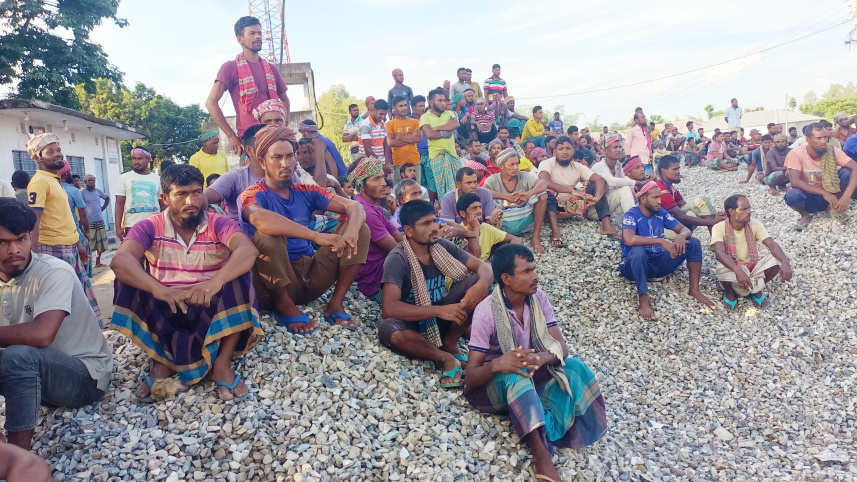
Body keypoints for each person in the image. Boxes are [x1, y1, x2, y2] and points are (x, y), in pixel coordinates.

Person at [111, 164, 262, 401]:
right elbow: (120, 261)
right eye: (181, 194)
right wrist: (160, 290)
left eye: (196, 192)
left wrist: (213, 284)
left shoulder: (218, 223)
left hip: (210, 305)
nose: (191, 201)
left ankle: (222, 363)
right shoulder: (149, 226)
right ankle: (161, 361)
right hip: (167, 305)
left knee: (241, 276)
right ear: (165, 198)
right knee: (126, 280)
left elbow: (247, 251)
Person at [464, 244, 607, 481]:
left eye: (534, 269)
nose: (535, 276)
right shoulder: (486, 312)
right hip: (490, 387)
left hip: (530, 371)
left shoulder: (538, 298)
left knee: (574, 367)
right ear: (506, 278)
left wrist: (542, 358)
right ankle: (542, 459)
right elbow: (470, 377)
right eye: (527, 271)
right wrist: (498, 365)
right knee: (516, 374)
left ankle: (558, 424)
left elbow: (562, 348)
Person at [0, 198, 113, 450]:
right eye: (2, 242)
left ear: (31, 237)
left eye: (21, 239)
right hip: (31, 380)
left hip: (84, 378)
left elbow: (42, 335)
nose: (14, 250)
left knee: (18, 356)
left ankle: (19, 457)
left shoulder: (53, 271)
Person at [240, 125, 370, 333]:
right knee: (267, 236)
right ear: (263, 162)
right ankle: (284, 305)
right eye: (277, 157)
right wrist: (316, 236)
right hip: (273, 285)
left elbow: (354, 206)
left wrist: (352, 231)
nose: (286, 164)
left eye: (290, 156)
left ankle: (336, 302)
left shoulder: (306, 190)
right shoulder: (252, 194)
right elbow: (260, 219)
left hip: (310, 277)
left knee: (361, 229)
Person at [378, 200, 493, 387]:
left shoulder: (440, 246)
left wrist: (482, 284)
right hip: (414, 324)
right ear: (408, 231)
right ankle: (446, 358)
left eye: (434, 221)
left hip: (442, 316)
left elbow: (483, 267)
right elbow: (389, 308)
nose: (434, 227)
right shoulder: (397, 259)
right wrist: (438, 311)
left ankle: (450, 342)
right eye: (426, 224)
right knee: (388, 330)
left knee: (475, 283)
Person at [25, 133, 102, 324]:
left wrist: (78, 245)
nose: (58, 154)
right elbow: (35, 220)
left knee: (78, 303)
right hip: (53, 249)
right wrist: (32, 258)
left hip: (69, 249)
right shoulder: (39, 182)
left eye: (58, 150)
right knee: (63, 305)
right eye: (50, 151)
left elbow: (63, 217)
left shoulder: (54, 180)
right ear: (38, 157)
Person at [620, 181, 714, 319]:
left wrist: (681, 236)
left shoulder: (660, 212)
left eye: (660, 197)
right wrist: (661, 241)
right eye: (655, 198)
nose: (659, 201)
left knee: (693, 243)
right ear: (643, 198)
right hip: (633, 267)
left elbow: (685, 229)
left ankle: (694, 290)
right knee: (638, 251)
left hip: (658, 263)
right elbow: (629, 239)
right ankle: (643, 298)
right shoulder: (631, 214)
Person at [206, 16, 289, 154]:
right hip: (250, 140)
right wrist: (231, 136)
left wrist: (283, 125)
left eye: (260, 33)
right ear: (240, 39)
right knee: (250, 175)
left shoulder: (271, 69)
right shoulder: (230, 68)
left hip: (275, 138)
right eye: (252, 33)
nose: (258, 36)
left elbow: (285, 100)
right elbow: (211, 103)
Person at [712, 194, 792, 311]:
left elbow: (771, 244)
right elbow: (719, 253)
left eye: (749, 208)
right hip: (734, 269)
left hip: (752, 268)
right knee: (721, 267)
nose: (749, 212)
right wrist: (738, 270)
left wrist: (785, 262)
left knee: (776, 260)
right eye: (744, 209)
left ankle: (756, 289)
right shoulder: (719, 227)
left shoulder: (755, 224)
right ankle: (730, 293)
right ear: (732, 211)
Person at [538, 136, 620, 243]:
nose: (564, 152)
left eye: (568, 148)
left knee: (593, 185)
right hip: (551, 205)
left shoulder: (577, 166)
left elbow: (600, 179)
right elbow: (545, 181)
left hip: (570, 204)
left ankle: (606, 225)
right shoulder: (547, 163)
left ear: (573, 150)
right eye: (561, 149)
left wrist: (596, 197)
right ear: (554, 151)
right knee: (546, 194)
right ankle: (556, 232)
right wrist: (570, 190)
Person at [350, 157, 405, 303]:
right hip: (376, 284)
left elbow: (398, 236)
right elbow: (397, 249)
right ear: (362, 186)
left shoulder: (374, 208)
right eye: (376, 179)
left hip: (385, 274)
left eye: (383, 177)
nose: (383, 183)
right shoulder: (365, 212)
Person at [784, 123, 857, 230]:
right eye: (818, 138)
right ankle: (805, 215)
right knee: (792, 194)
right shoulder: (796, 153)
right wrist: (823, 192)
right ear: (808, 139)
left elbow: (855, 167)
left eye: (825, 137)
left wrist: (846, 196)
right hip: (809, 198)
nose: (823, 141)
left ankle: (832, 208)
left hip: (832, 196)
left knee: (846, 172)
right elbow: (794, 181)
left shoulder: (832, 150)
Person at [482, 149, 549, 253]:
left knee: (542, 196)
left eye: (517, 163)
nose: (516, 167)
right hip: (503, 225)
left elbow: (543, 183)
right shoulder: (493, 179)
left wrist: (528, 195)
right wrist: (506, 197)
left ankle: (535, 237)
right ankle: (499, 237)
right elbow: (483, 191)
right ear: (501, 166)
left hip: (526, 220)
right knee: (485, 199)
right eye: (511, 164)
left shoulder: (524, 175)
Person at [656, 156, 723, 236]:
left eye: (678, 169)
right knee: (701, 201)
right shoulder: (662, 191)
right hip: (666, 231)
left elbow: (684, 204)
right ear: (663, 171)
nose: (678, 172)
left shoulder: (668, 186)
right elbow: (681, 217)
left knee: (699, 206)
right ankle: (717, 241)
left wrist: (711, 216)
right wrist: (713, 220)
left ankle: (716, 241)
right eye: (674, 169)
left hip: (673, 225)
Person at [420, 89, 462, 199]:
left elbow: (456, 124)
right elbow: (429, 134)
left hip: (452, 155)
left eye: (444, 100)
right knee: (441, 190)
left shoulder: (450, 113)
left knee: (459, 187)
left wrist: (438, 128)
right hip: (436, 157)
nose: (443, 103)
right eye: (439, 100)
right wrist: (447, 131)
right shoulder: (425, 116)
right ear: (431, 102)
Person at [115, 147, 162, 241]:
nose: (136, 161)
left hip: (155, 225)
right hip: (132, 225)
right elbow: (119, 203)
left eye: (140, 158)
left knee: (155, 255)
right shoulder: (123, 178)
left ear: (148, 159)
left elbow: (163, 203)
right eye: (134, 158)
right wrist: (118, 227)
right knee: (135, 255)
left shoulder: (158, 179)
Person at [457, 192, 521, 261]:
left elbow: (517, 240)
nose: (480, 211)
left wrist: (503, 259)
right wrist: (476, 228)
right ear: (463, 213)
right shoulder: (459, 232)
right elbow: (473, 258)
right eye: (474, 208)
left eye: (480, 207)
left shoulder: (486, 228)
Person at [590, 132, 637, 218]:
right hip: (595, 210)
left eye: (620, 147)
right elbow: (612, 182)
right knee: (625, 189)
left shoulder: (617, 164)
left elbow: (622, 180)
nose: (619, 150)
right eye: (615, 147)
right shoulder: (599, 166)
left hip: (609, 205)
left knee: (631, 190)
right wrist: (635, 182)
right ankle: (632, 222)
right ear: (605, 150)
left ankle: (634, 219)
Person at [387, 96, 422, 184]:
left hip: (414, 162)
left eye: (405, 105)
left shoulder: (415, 122)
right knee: (399, 192)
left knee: (416, 188)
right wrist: (411, 139)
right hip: (398, 162)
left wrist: (400, 137)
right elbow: (391, 142)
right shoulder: (390, 124)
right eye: (401, 106)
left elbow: (418, 138)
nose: (404, 108)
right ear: (394, 108)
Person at [80, 174, 110, 268]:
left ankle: (98, 261)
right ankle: (87, 263)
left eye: (92, 180)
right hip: (88, 222)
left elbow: (107, 198)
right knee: (89, 242)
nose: (91, 182)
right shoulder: (82, 193)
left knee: (100, 242)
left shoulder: (98, 191)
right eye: (89, 180)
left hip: (99, 220)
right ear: (85, 182)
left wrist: (102, 208)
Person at [359, 99, 389, 166]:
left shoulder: (382, 123)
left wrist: (386, 163)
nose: (383, 117)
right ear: (374, 110)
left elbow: (386, 145)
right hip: (368, 165)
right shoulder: (365, 125)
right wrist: (382, 165)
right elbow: (368, 151)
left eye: (385, 114)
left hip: (381, 164)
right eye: (381, 114)